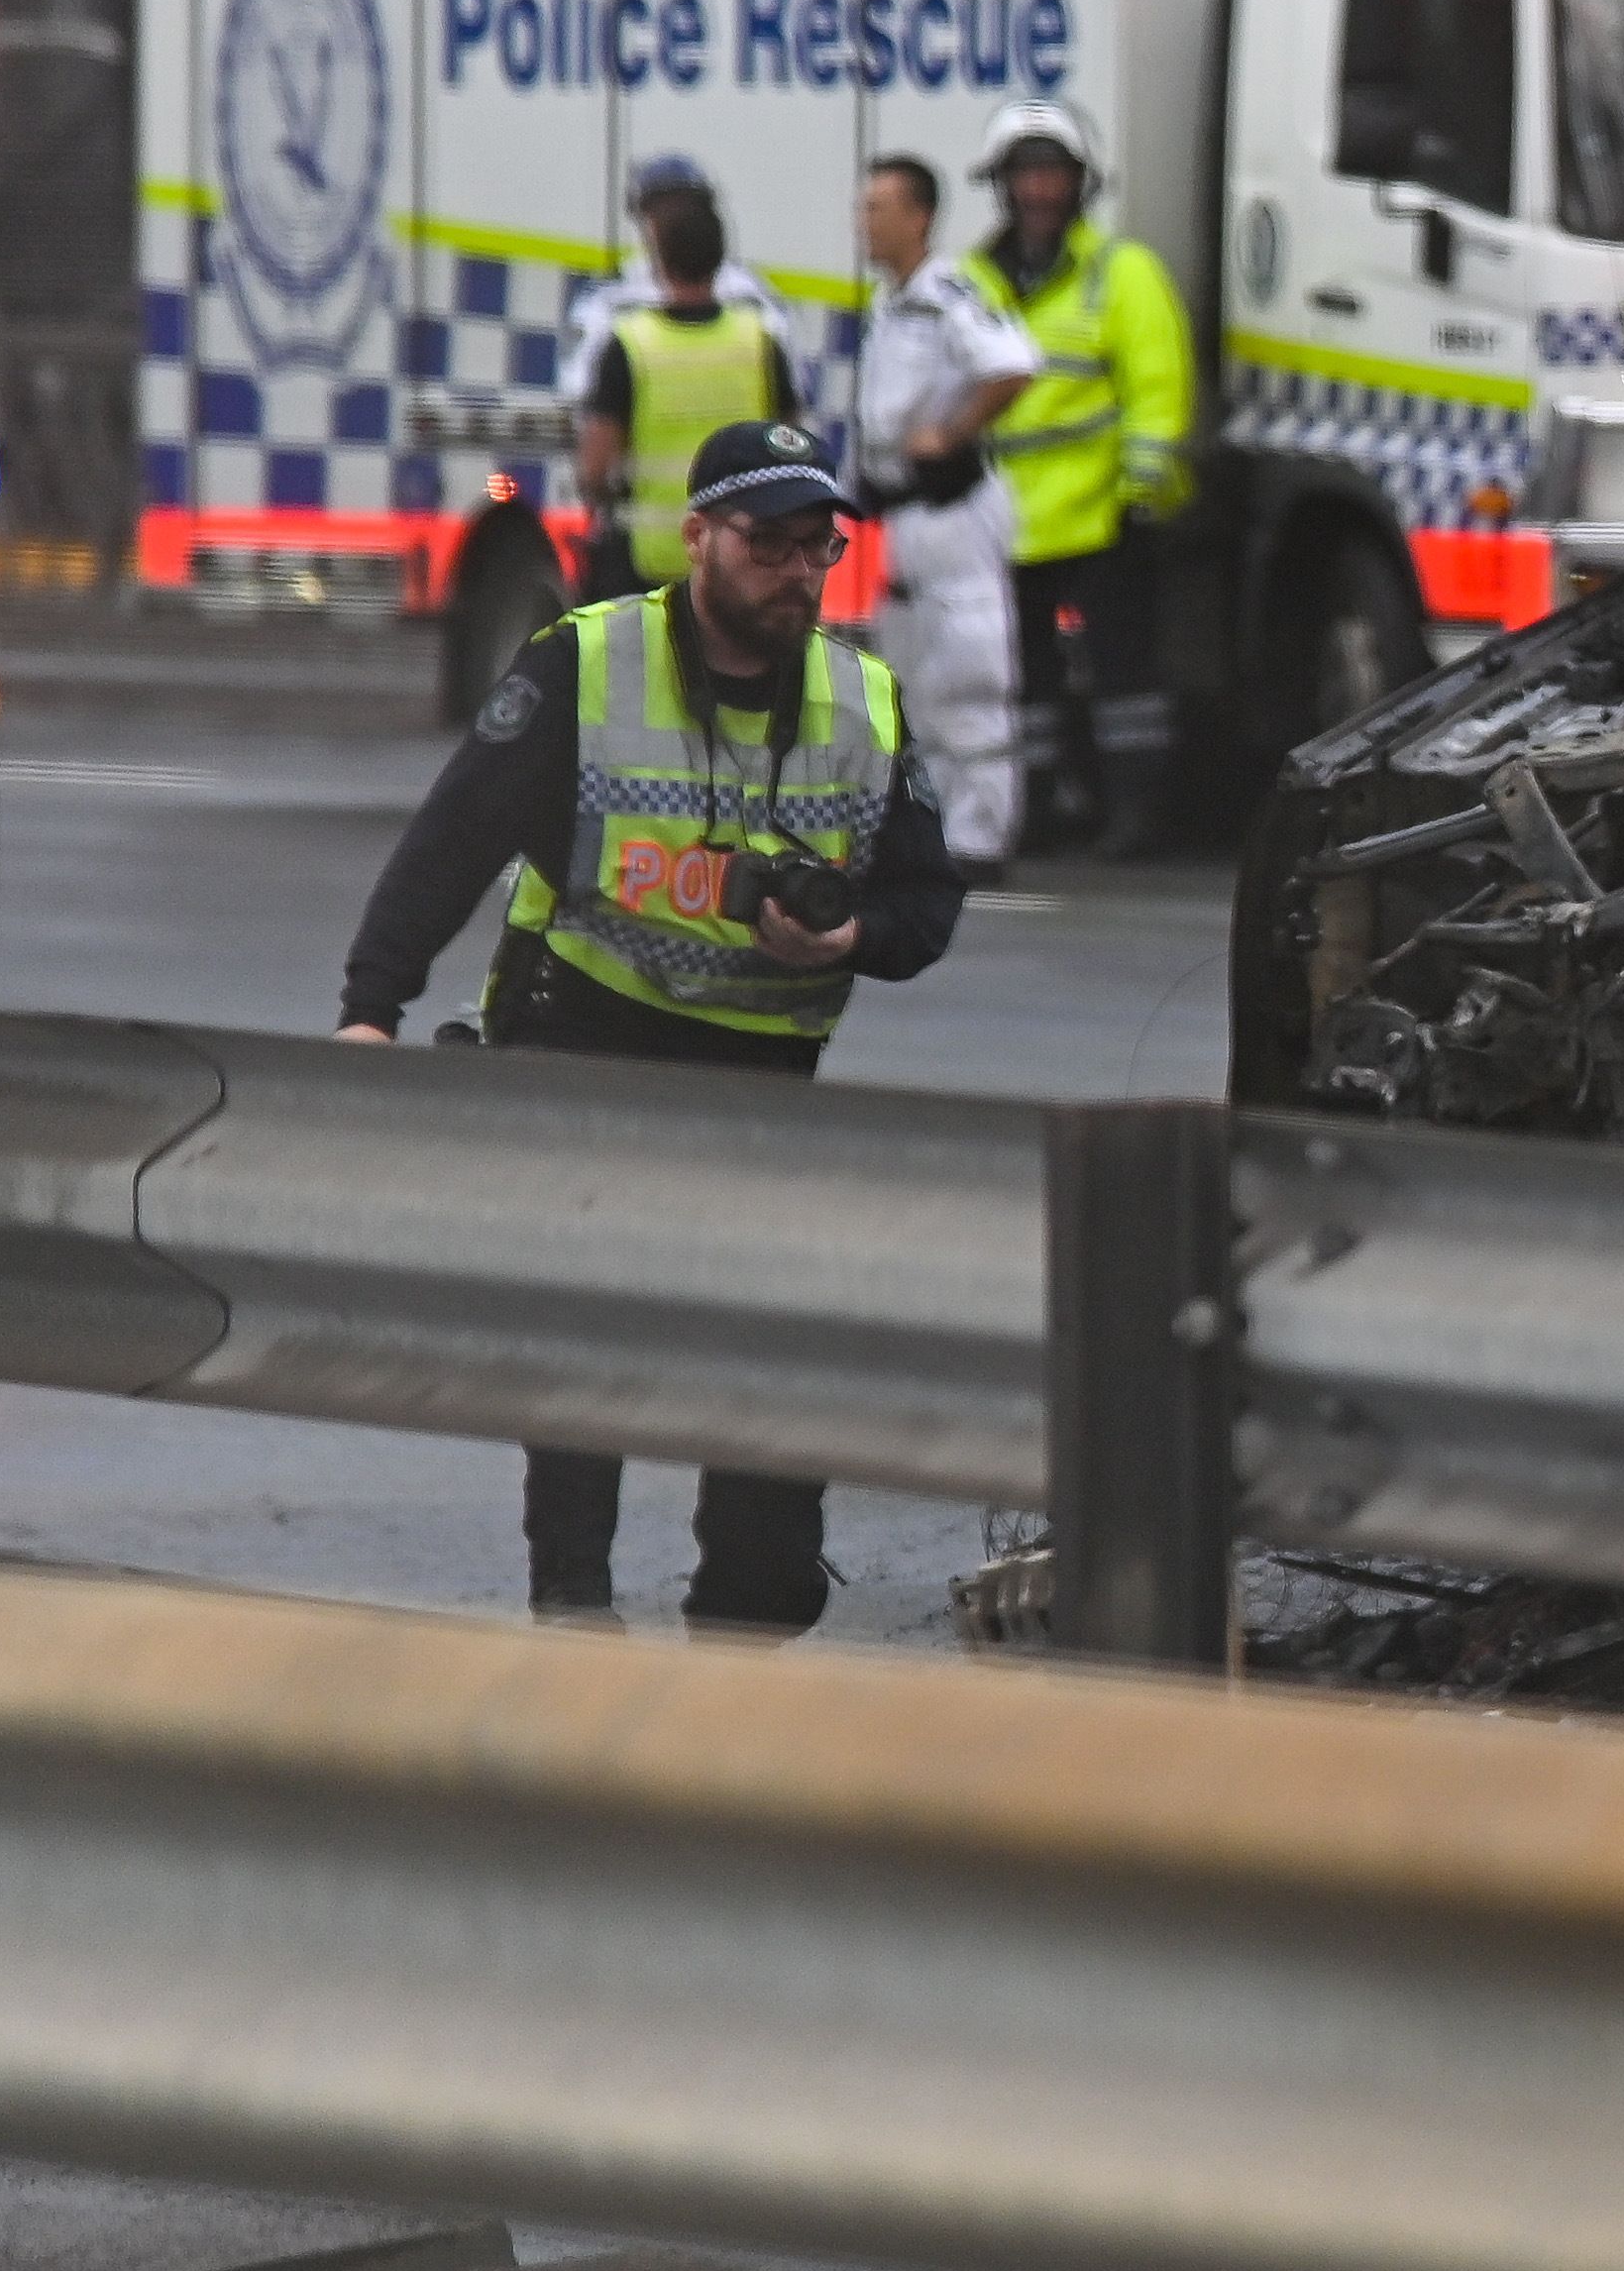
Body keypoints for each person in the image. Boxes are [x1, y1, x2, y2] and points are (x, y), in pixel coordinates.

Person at [334, 420, 968, 1626]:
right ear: (697, 538)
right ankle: (573, 1598)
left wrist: (849, 941)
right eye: (767, 543)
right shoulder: (585, 663)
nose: (795, 570)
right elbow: (450, 843)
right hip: (585, 1031)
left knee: (767, 1355)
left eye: (815, 548)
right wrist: (373, 1010)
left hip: (758, 1068)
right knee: (594, 1330)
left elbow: (929, 905)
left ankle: (749, 1609)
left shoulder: (861, 698)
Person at [964, 100, 1192, 851]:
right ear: (1003, 185)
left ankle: (1135, 816)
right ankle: (1030, 813)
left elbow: (1157, 386)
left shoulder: (1121, 272)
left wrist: (1144, 490)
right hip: (1005, 520)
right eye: (1025, 175)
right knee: (1022, 686)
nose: (1039, 191)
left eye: (1053, 174)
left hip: (1102, 514)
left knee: (1126, 682)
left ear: (1080, 183)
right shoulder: (970, 281)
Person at [856, 153, 1039, 879]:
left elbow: (1013, 363)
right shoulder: (891, 304)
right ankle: (924, 826)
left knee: (968, 676)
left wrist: (951, 431)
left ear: (919, 217)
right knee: (907, 679)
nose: (864, 223)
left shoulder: (946, 295)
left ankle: (981, 838)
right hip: (901, 518)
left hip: (953, 512)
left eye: (878, 208)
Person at [568, 160, 795, 602]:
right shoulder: (758, 327)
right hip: (743, 557)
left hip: (648, 561)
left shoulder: (626, 332)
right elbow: (790, 440)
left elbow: (594, 462)